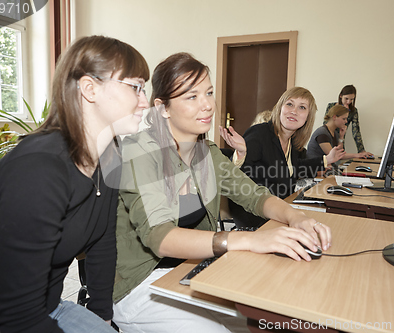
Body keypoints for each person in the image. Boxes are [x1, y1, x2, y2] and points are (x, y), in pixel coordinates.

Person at [112, 52, 332, 333]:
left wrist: (296, 216)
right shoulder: (139, 151)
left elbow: (255, 196)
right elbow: (161, 237)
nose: (207, 105)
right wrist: (249, 240)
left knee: (266, 319)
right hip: (140, 285)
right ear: (162, 107)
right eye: (191, 97)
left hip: (191, 269)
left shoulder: (206, 153)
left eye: (209, 92)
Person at [0, 35, 150, 333]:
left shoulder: (109, 157)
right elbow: (18, 317)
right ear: (89, 89)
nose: (144, 101)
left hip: (47, 305)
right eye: (135, 87)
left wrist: (102, 314)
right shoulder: (38, 170)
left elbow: (103, 241)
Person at [239, 87, 345, 200]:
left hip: (284, 203)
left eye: (302, 107)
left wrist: (326, 160)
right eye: (290, 104)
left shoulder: (292, 141)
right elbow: (240, 177)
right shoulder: (259, 133)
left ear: (308, 117)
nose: (294, 111)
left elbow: (295, 167)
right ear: (280, 108)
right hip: (257, 209)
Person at [324, 84, 373, 157]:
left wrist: (361, 150)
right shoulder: (331, 106)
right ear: (341, 96)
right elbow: (326, 124)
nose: (348, 102)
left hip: (340, 141)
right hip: (328, 140)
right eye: (346, 98)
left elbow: (356, 131)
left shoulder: (353, 111)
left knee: (340, 161)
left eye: (351, 99)